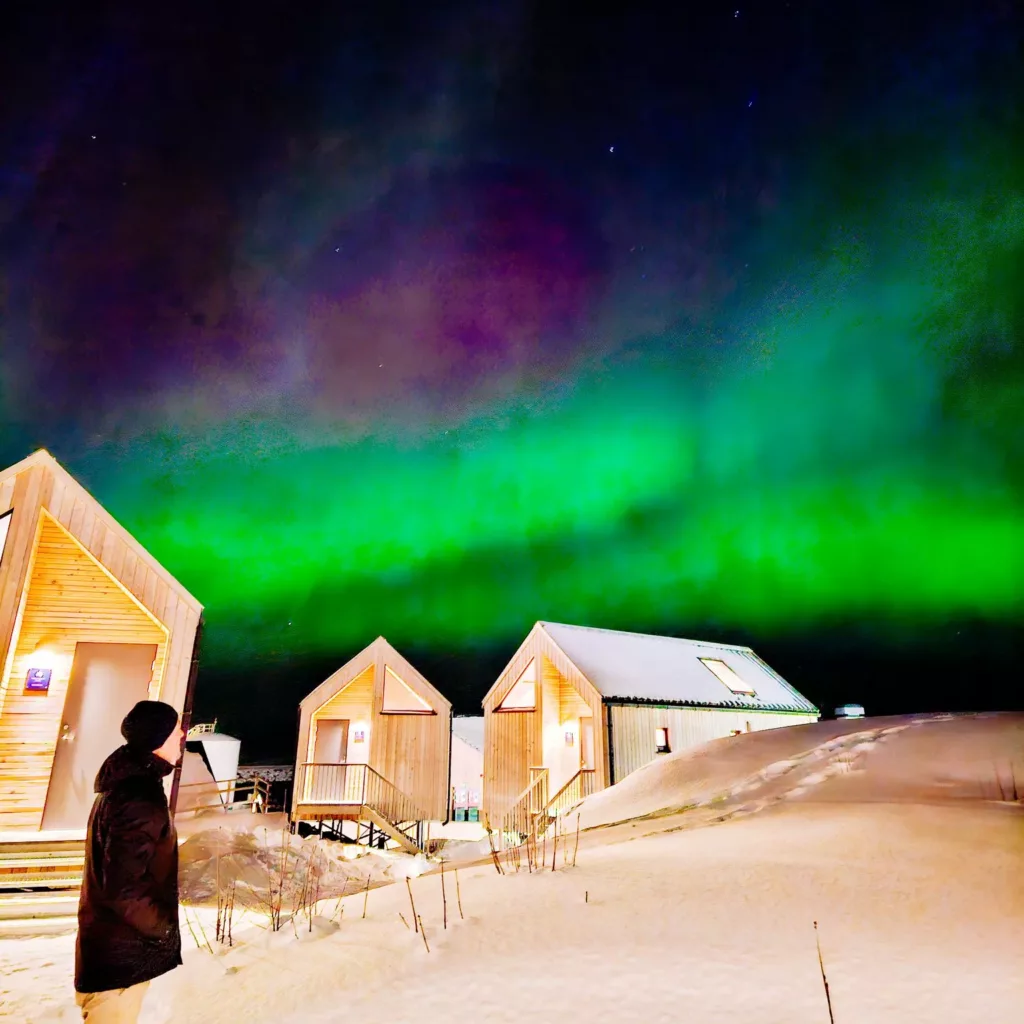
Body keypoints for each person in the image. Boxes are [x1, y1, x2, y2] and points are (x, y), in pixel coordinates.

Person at [75, 700, 185, 1023]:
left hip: (111, 959)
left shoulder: (127, 786)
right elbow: (124, 890)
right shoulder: (138, 797)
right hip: (116, 972)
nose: (182, 734)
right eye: (176, 728)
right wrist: (163, 928)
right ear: (158, 739)